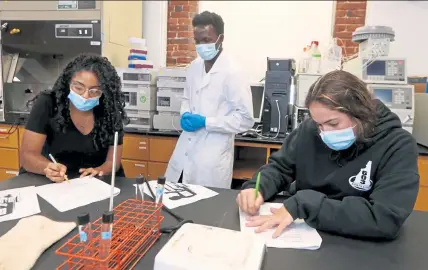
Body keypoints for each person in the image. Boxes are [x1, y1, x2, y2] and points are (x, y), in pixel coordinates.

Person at [237, 70, 419, 240]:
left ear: (361, 114)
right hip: (304, 231)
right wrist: (256, 188)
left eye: (333, 123)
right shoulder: (310, 131)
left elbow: (384, 218)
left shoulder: (397, 145)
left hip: (358, 242)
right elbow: (279, 167)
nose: (325, 132)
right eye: (319, 124)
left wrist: (305, 204)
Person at [165, 11, 254, 189]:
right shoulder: (193, 67)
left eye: (206, 40)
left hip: (211, 160)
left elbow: (245, 119)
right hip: (185, 152)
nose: (201, 46)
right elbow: (186, 98)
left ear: (220, 38)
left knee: (206, 212)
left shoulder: (233, 72)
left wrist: (207, 122)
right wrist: (185, 114)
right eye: (197, 41)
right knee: (172, 200)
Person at [20, 54, 128, 182]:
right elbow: (28, 156)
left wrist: (101, 170)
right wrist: (47, 167)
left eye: (94, 91)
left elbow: (113, 161)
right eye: (78, 87)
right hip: (57, 183)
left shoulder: (109, 108)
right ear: (68, 83)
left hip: (97, 184)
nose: (86, 96)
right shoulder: (49, 103)